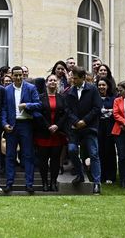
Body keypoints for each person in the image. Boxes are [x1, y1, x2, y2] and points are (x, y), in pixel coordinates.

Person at [2, 66, 40, 194]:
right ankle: (9, 183)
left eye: (20, 75)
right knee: (10, 155)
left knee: (28, 155)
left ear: (23, 75)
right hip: (12, 125)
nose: (18, 77)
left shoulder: (30, 88)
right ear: (11, 76)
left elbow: (38, 104)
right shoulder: (6, 90)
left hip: (26, 124)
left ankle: (29, 184)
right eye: (16, 75)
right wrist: (4, 123)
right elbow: (3, 109)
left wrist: (26, 105)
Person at [65, 66, 102, 194]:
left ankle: (97, 183)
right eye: (72, 78)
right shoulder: (70, 91)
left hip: (90, 127)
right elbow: (67, 110)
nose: (73, 80)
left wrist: (84, 121)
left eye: (75, 78)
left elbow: (97, 108)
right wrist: (76, 121)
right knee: (72, 150)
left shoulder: (92, 89)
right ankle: (80, 174)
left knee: (94, 154)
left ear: (83, 78)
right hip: (74, 128)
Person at [33, 74, 68, 192]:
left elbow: (65, 114)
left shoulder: (62, 98)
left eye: (55, 80)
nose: (53, 82)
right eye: (50, 80)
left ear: (57, 83)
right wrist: (48, 126)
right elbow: (38, 114)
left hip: (57, 134)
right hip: (43, 132)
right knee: (43, 160)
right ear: (46, 83)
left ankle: (53, 182)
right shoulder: (40, 97)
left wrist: (57, 126)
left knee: (55, 160)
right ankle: (44, 183)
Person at [97, 78, 117, 184]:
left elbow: (116, 111)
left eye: (103, 85)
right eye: (99, 85)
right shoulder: (95, 99)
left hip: (110, 127)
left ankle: (111, 176)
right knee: (99, 151)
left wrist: (110, 112)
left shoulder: (113, 99)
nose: (101, 87)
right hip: (98, 127)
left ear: (107, 86)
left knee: (109, 151)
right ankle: (101, 175)